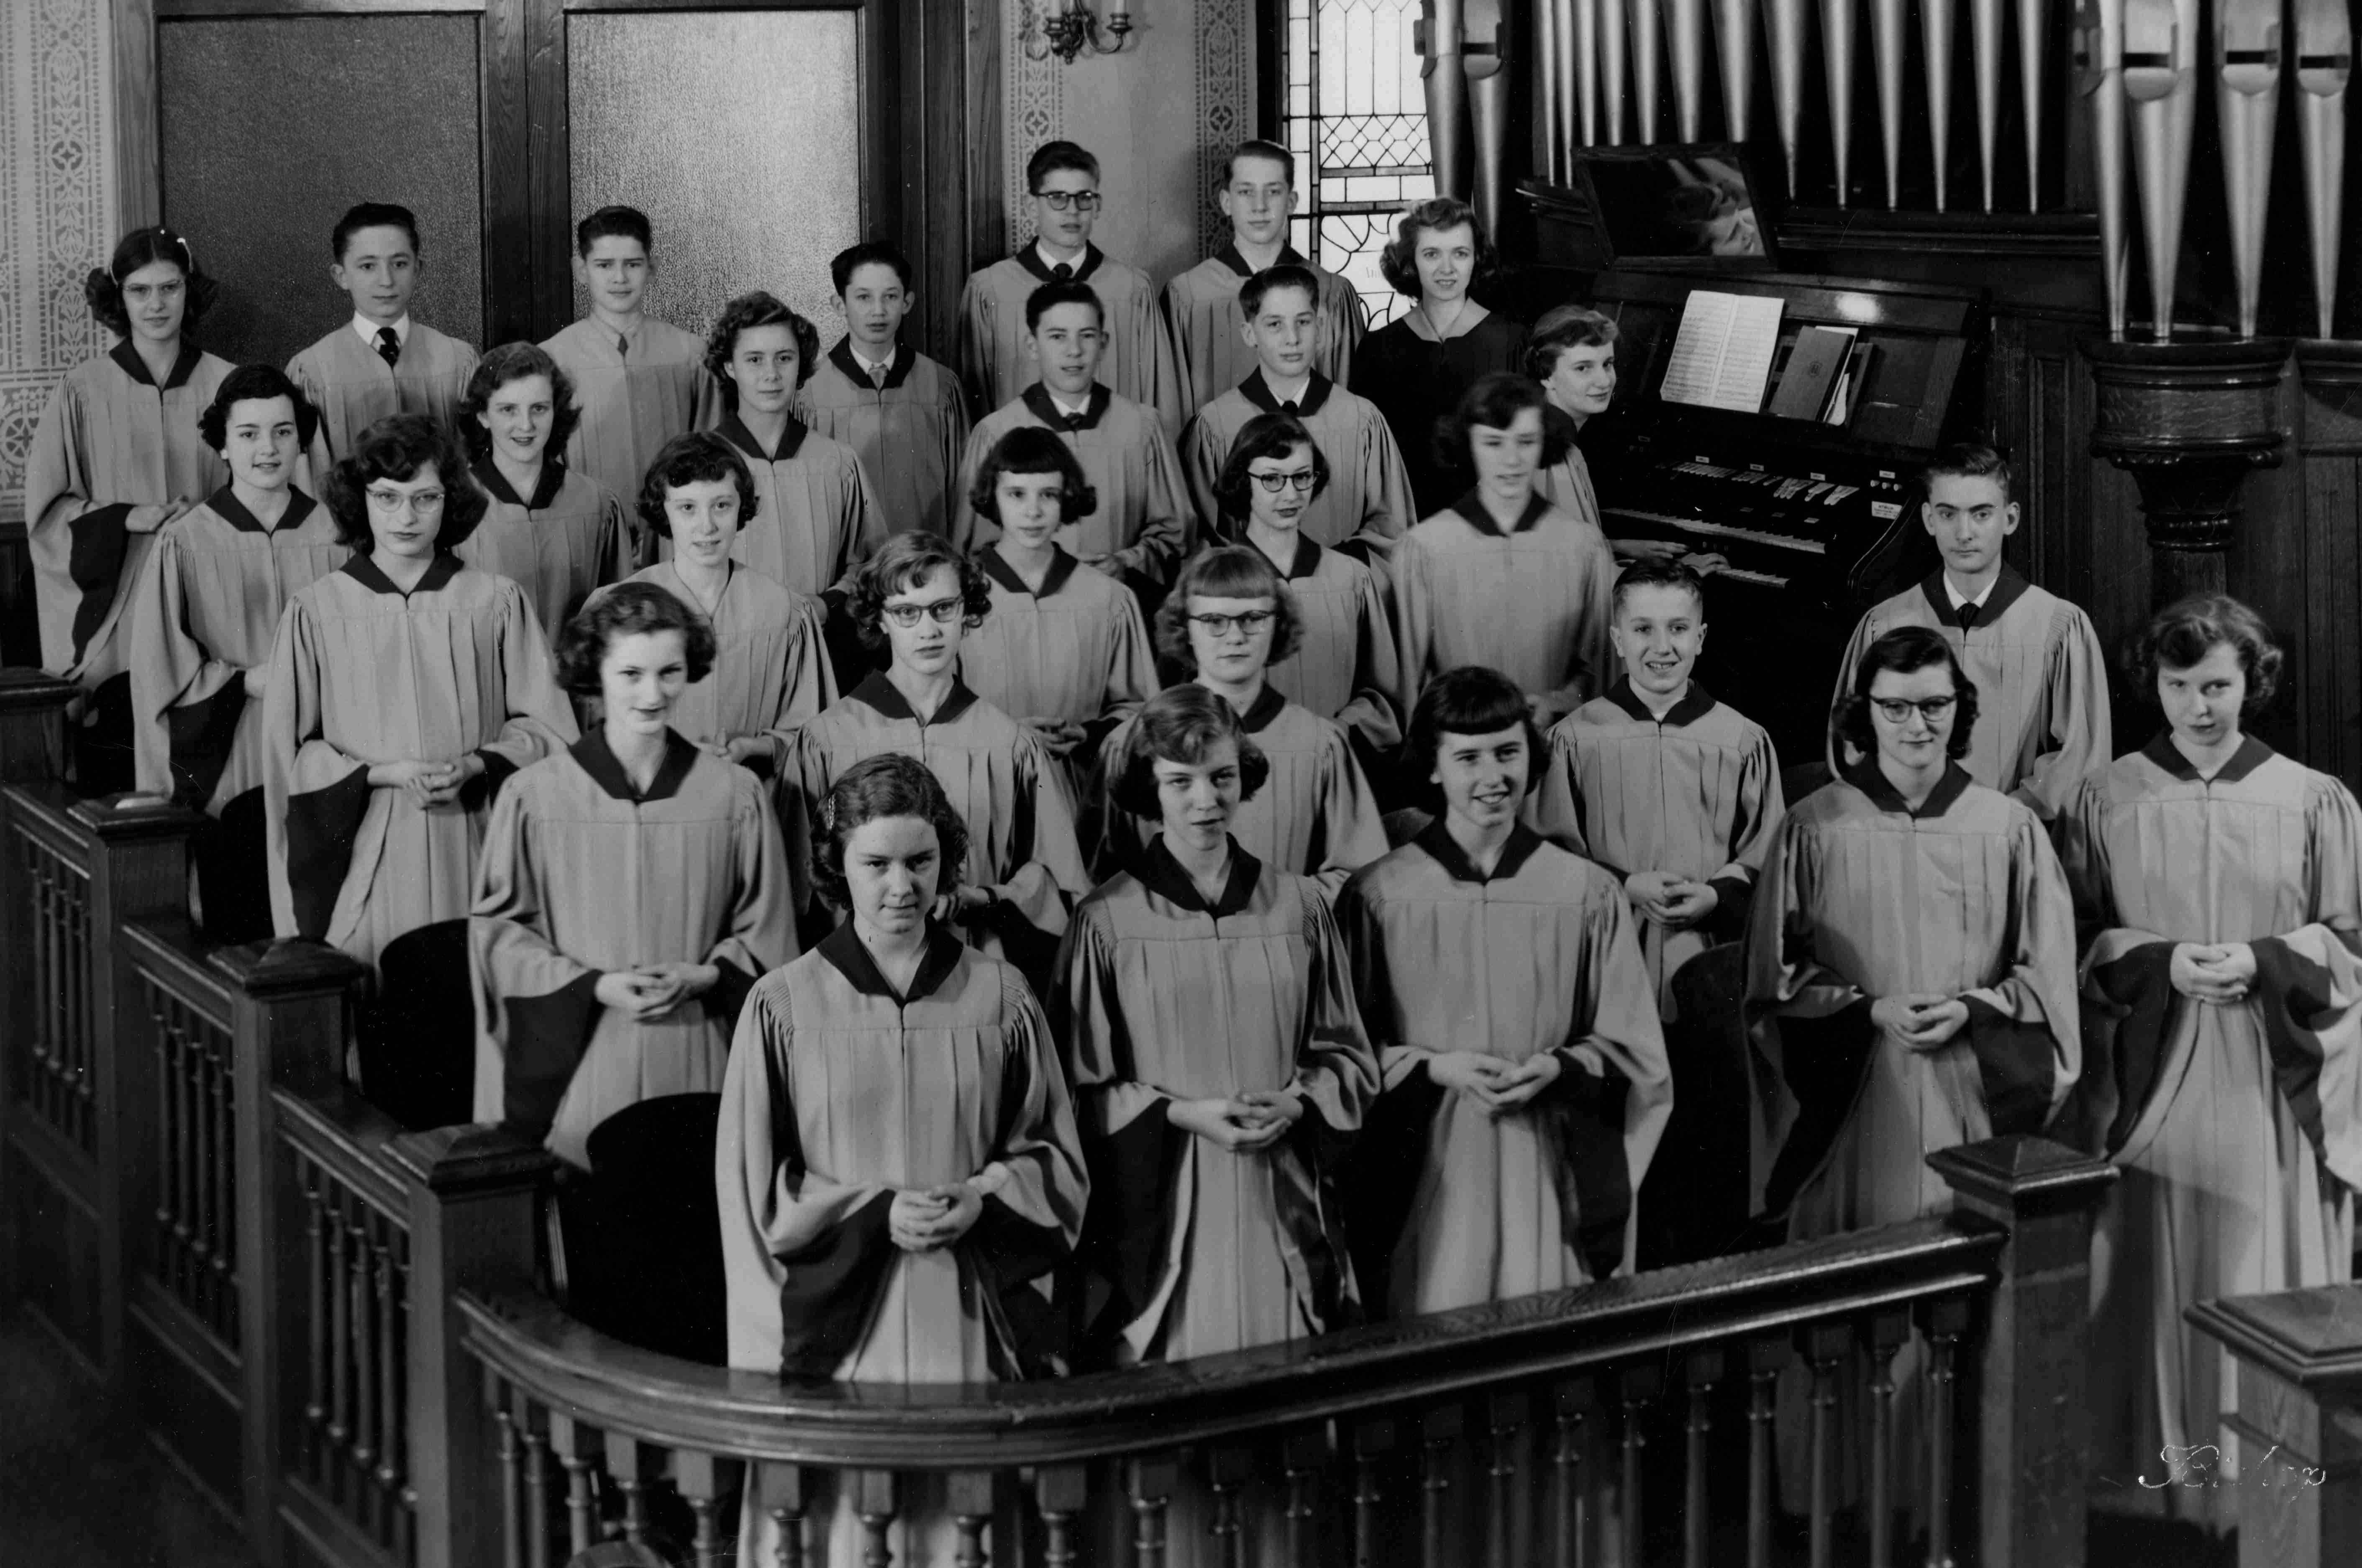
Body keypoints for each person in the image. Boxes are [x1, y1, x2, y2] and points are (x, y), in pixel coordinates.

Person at [1744, 625, 2078, 1530]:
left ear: (1960, 711)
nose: (1916, 723)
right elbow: (1770, 984)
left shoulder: (2008, 828)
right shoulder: (1815, 827)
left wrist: (1973, 1008)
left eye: (1935, 704)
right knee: (1841, 1305)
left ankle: (1950, 1503)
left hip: (1965, 1101)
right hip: (1852, 1102)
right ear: (1865, 714)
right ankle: (1837, 1507)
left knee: (1954, 1303)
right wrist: (1862, 1009)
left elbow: (2046, 983)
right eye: (1896, 706)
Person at [719, 752, 1085, 1567]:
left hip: (967, 1306)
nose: (900, 885)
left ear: (947, 861)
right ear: (835, 866)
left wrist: (987, 1195)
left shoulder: (1001, 994)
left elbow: (1052, 1152)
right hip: (845, 1320)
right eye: (875, 863)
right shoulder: (783, 1003)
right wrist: (874, 1209)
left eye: (920, 861)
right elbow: (752, 1190)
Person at [1058, 684, 1374, 1558]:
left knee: (1285, 1457)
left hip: (1280, 1202)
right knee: (1178, 1468)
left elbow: (1350, 1056)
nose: (1207, 799)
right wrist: (1182, 1112)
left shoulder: (1299, 906)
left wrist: (1302, 1097)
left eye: (1224, 777)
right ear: (1149, 789)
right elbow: (1080, 1091)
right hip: (1172, 1222)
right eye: (1183, 780)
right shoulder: (1106, 922)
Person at [2063, 595, 2362, 1518]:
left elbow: (2351, 939)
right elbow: (2075, 937)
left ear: (2254, 683)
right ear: (2154, 681)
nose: (2200, 706)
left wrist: (2265, 957)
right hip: (2156, 1068)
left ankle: (2275, 1485)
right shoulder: (2107, 797)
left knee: (2259, 1262)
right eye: (2180, 683)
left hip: (2273, 1073)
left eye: (2219, 685)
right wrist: (2157, 957)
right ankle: (2169, 1480)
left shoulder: (2310, 797)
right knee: (2159, 1257)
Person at [1338, 666, 1669, 1315]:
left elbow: (1637, 1052)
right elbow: (1343, 1052)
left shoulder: (1584, 891)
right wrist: (1434, 1066)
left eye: (1507, 753)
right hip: (1431, 1168)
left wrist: (1559, 1066)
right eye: (1467, 758)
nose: (1492, 778)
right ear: (1432, 768)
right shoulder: (1379, 896)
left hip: (1545, 1159)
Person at [471, 583, 795, 1170]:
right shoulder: (534, 796)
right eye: (631, 674)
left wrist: (706, 974)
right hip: (588, 1057)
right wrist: (592, 985)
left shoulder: (735, 794)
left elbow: (768, 933)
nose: (653, 694)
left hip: (702, 1050)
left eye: (670, 672)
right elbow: (499, 938)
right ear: (594, 670)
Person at [262, 414, 575, 979]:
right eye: (387, 498)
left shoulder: (495, 601)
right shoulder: (317, 610)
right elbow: (293, 757)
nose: (406, 517)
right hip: (369, 849)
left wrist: (477, 763)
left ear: (450, 501)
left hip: (475, 839)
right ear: (361, 501)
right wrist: (380, 774)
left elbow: (550, 735)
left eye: (425, 498)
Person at [783, 533, 1090, 976]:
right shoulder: (825, 741)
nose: (928, 630)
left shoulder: (1010, 746)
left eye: (943, 608)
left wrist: (985, 899)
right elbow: (793, 894)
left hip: (976, 979)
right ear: (881, 619)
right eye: (907, 612)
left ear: (967, 611)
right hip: (853, 986)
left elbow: (1059, 887)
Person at [125, 366, 346, 938]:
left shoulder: (339, 534)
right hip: (230, 749)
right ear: (221, 444)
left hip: (322, 743)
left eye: (282, 431)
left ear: (302, 440)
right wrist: (247, 682)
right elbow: (160, 671)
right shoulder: (186, 540)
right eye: (247, 434)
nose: (267, 449)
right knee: (245, 920)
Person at [26, 225, 233, 790]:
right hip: (118, 599)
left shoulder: (229, 385)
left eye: (169, 288)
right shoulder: (83, 389)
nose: (157, 304)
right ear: (119, 298)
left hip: (207, 597)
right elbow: (47, 516)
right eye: (140, 291)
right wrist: (124, 518)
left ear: (190, 291)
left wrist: (209, 523)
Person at [1535, 559, 1783, 1004]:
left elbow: (1767, 849)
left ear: (1701, 638)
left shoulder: (1743, 741)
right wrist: (1627, 886)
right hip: (1606, 951)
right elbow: (1550, 854)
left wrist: (1714, 894)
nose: (1663, 647)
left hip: (1707, 949)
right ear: (1618, 640)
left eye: (1678, 628)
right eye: (1643, 630)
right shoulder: (1573, 740)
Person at [1828, 441, 2110, 821]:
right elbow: (1852, 744)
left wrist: (2002, 815)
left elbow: (2079, 757)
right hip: (1902, 832)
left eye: (1981, 514)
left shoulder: (2057, 626)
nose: (1964, 533)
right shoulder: (1886, 624)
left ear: (2010, 519)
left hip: (2011, 833)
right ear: (1929, 520)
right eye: (1948, 515)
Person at [1097, 547, 1387, 897]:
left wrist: (1276, 912)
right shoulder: (1128, 741)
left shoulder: (1319, 744)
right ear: (1185, 628)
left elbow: (1359, 876)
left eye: (1253, 618)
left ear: (1278, 625)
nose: (1235, 637)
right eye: (1214, 621)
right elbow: (1099, 883)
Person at [1393, 373, 1618, 727]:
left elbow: (1601, 668)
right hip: (1460, 745)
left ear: (1545, 443)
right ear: (1468, 444)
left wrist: (1559, 701)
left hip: (1557, 742)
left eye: (1526, 442)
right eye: (1494, 443)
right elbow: (1409, 682)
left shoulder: (1583, 547)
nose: (1511, 460)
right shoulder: (1424, 548)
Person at [608, 432, 834, 782]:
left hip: (754, 802)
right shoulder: (619, 609)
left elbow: (814, 735)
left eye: (721, 506)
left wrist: (750, 748)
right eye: (688, 508)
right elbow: (590, 733)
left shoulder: (785, 613)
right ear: (663, 511)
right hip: (649, 806)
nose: (707, 526)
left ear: (740, 507)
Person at [954, 280, 1193, 587]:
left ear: (1104, 343)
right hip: (1026, 615)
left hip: (1121, 604)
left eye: (1087, 336)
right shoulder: (995, 432)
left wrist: (1127, 563)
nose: (1074, 351)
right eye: (1057, 337)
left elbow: (1176, 535)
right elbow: (973, 551)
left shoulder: (1142, 427)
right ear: (1032, 345)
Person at [954, 429, 1156, 789]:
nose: (1033, 511)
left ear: (1067, 498)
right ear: (993, 497)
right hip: (984, 784)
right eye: (1017, 494)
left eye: (1048, 495)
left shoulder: (1108, 598)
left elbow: (1139, 708)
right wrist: (1005, 734)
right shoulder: (958, 596)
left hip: (1080, 787)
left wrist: (1088, 735)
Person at [1181, 265, 1416, 563]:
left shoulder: (1361, 420)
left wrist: (1329, 571)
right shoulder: (1215, 425)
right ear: (1249, 334)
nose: (1292, 338)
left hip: (1338, 596)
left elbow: (1391, 532)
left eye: (1303, 322)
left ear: (1321, 326)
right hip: (1253, 597)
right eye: (1275, 325)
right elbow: (1199, 541)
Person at [1208, 412, 1402, 769]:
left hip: (1335, 766)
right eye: (1272, 479)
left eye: (1302, 477)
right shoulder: (1211, 581)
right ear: (1242, 481)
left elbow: (1384, 695)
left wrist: (1339, 730)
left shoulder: (1352, 579)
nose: (1291, 494)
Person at [958, 139, 1184, 436]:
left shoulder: (1131, 289)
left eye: (1084, 198)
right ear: (1030, 205)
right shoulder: (990, 290)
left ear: (1098, 206)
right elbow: (976, 414)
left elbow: (1160, 403)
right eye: (1057, 198)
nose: (1072, 211)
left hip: (1113, 463)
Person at [697, 291, 876, 605]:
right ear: (729, 367)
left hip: (821, 639)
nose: (771, 375)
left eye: (784, 358)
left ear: (801, 364)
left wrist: (826, 605)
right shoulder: (697, 464)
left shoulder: (837, 463)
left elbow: (870, 562)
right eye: (754, 360)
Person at [1350, 197, 1527, 517]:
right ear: (1411, 261)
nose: (1447, 269)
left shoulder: (1510, 342)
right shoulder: (1378, 348)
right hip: (1402, 520)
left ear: (1477, 259)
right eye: (1432, 254)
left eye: (1460, 254)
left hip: (1493, 521)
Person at [1162, 141, 1369, 412]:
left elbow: (1353, 413)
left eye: (1273, 192)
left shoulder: (1333, 294)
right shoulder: (1187, 296)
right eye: (1246, 192)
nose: (1259, 207)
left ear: (1292, 202)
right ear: (1226, 202)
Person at [541, 205, 712, 518]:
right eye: (604, 265)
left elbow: (710, 451)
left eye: (632, 264)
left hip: (675, 529)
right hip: (587, 523)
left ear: (652, 267)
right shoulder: (552, 359)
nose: (619, 278)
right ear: (581, 270)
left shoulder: (690, 354)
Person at [797, 240, 971, 540]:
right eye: (863, 297)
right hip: (845, 567)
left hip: (924, 561)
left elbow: (964, 488)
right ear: (840, 305)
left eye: (890, 296)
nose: (878, 311)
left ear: (907, 302)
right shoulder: (809, 392)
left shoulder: (940, 386)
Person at [455, 342, 628, 640]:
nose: (526, 425)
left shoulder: (596, 503)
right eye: (508, 409)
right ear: (483, 415)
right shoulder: (455, 503)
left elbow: (621, 614)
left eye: (539, 408)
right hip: (489, 680)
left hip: (575, 680)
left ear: (555, 411)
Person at [286, 202, 478, 463]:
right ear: (341, 275)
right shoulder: (312, 370)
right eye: (368, 266)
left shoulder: (458, 360)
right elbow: (310, 477)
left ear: (417, 269)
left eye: (399, 264)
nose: (386, 280)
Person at [1526, 304, 1706, 569]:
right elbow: (1573, 577)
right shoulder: (1554, 452)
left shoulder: (1550, 430)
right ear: (1547, 377)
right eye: (1583, 368)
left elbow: (1555, 544)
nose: (1604, 381)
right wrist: (1681, 577)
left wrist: (1615, 547)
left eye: (1607, 364)